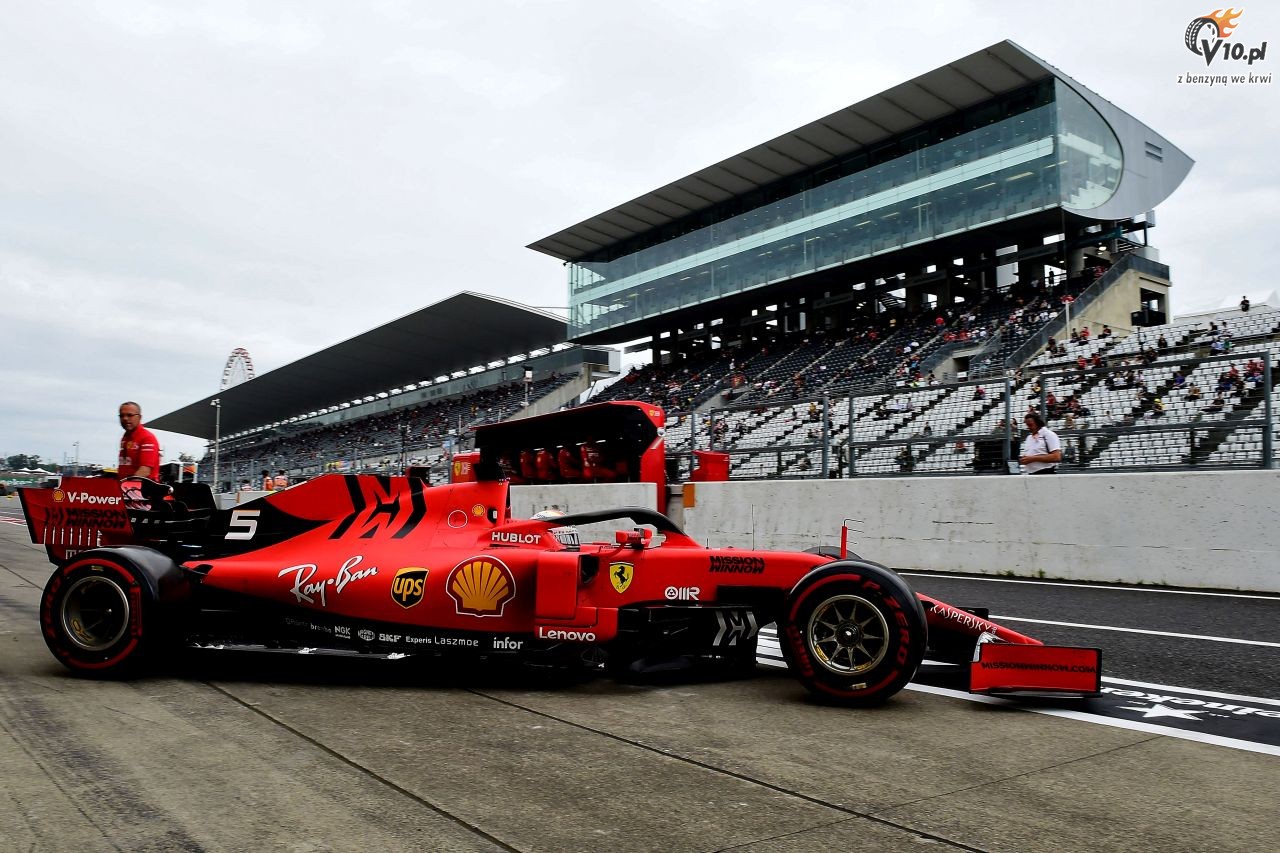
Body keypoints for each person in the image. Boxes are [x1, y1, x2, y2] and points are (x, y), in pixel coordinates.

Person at [117, 401, 160, 480]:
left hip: (144, 489)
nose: (125, 418)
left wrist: (127, 486)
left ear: (139, 417)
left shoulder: (147, 438)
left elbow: (145, 471)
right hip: (127, 488)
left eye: (130, 415)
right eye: (122, 416)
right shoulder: (125, 438)